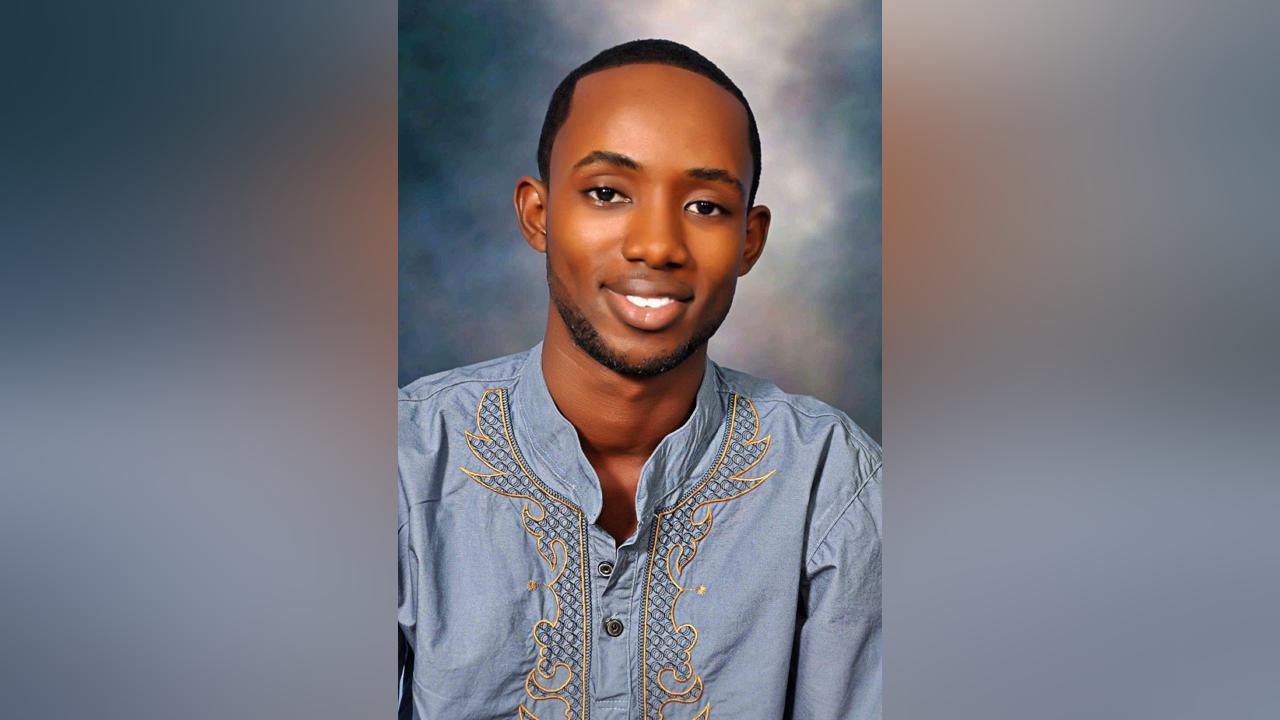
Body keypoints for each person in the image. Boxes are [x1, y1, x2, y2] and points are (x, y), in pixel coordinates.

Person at [399, 38, 881, 720]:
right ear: (538, 214)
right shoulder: (405, 463)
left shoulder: (834, 487)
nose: (656, 245)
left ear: (749, 240)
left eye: (706, 206)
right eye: (607, 193)